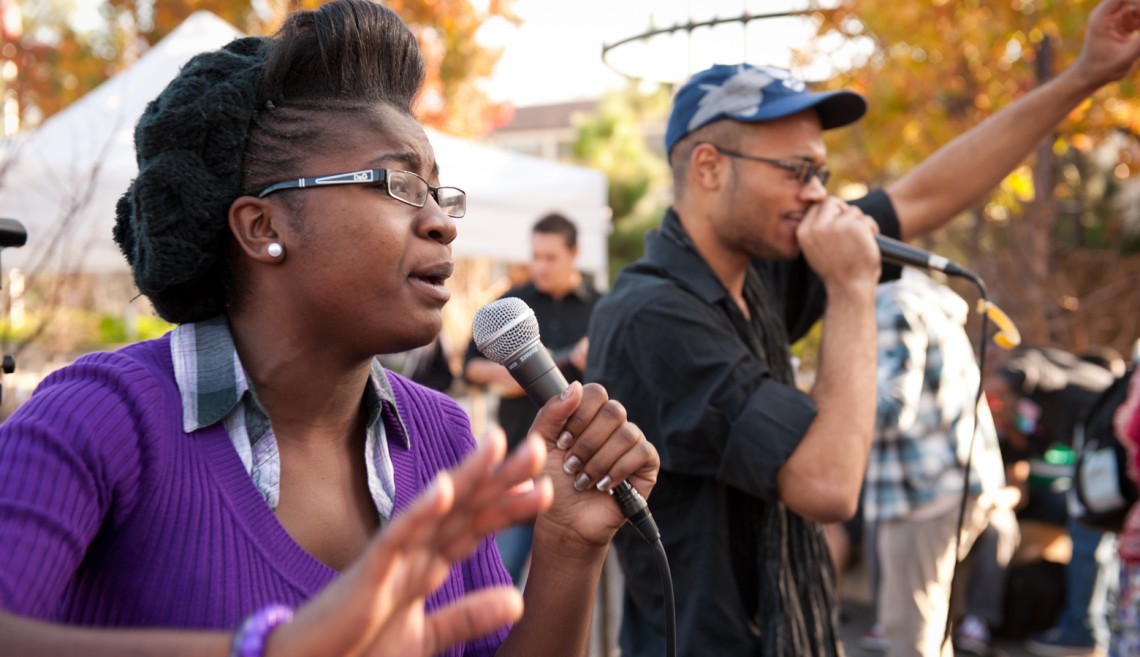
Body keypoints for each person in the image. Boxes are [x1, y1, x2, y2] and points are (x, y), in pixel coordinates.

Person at [0, 2, 660, 656]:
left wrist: (570, 548)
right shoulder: (102, 416)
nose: (441, 221)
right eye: (398, 183)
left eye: (438, 192)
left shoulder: (443, 437)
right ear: (263, 228)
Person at [584, 2, 1140, 655]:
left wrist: (1083, 76)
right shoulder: (655, 315)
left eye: (820, 172)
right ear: (708, 167)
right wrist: (851, 287)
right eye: (796, 171)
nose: (817, 194)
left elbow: (924, 195)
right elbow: (825, 483)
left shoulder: (753, 272)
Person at [863, 269, 1007, 657]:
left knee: (909, 633)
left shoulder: (893, 304)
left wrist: (819, 399)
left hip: (923, 494)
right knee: (928, 625)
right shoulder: (923, 297)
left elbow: (891, 407)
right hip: (951, 484)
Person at [464, 212, 600, 586]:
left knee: (568, 586)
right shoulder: (512, 305)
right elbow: (470, 368)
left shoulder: (602, 309)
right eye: (535, 255)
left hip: (579, 467)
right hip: (518, 466)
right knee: (500, 576)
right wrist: (513, 375)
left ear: (575, 254)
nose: (540, 265)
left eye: (550, 257)